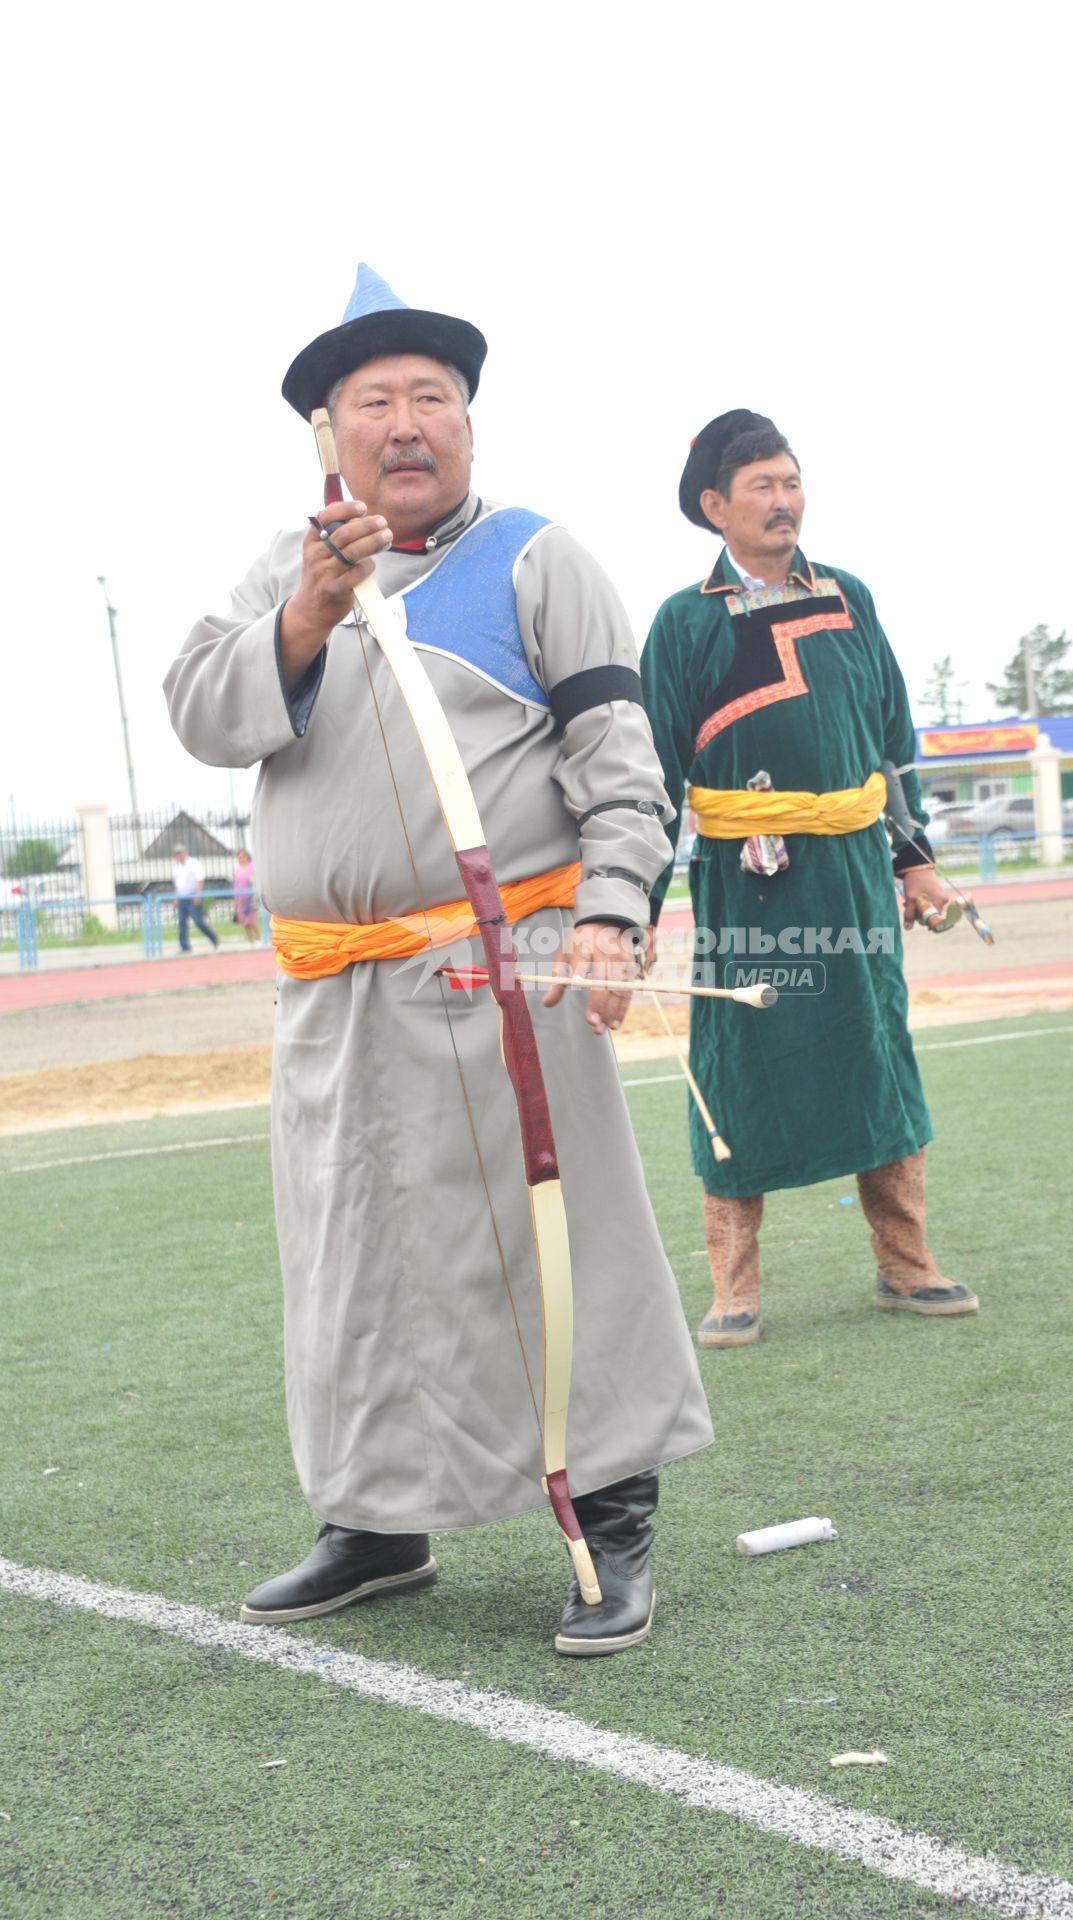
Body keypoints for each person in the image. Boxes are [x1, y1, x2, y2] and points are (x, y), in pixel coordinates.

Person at [164, 266, 712, 1655]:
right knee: (354, 1255)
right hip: (333, 992)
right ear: (326, 435)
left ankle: (612, 1515)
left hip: (506, 969)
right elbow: (203, 715)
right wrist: (304, 611)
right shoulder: (280, 575)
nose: (407, 423)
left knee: (557, 1240)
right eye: (375, 403)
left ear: (469, 420)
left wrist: (610, 905)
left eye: (434, 398)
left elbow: (617, 754)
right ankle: (375, 1515)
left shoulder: (536, 557)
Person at [639, 410, 978, 1347]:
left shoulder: (849, 597)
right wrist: (628, 905)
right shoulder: (684, 623)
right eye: (761, 486)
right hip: (748, 885)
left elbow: (889, 744)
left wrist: (916, 864)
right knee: (740, 1062)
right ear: (715, 506)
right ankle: (731, 1287)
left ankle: (906, 1267)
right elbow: (651, 774)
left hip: (852, 873)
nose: (783, 501)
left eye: (790, 481)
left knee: (875, 1051)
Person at [171, 844, 219, 953]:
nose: (178, 855)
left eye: (180, 853)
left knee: (198, 921)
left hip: (192, 896)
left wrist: (198, 895)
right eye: (177, 854)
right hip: (182, 898)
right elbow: (177, 885)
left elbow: (200, 880)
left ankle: (213, 938)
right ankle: (184, 947)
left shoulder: (194, 864)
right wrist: (175, 898)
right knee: (182, 923)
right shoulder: (178, 867)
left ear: (185, 853)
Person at [231, 848, 261, 944]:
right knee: (244, 921)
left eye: (243, 856)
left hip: (250, 897)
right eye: (239, 857)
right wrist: (235, 898)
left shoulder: (252, 867)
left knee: (252, 920)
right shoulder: (236, 869)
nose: (241, 858)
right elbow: (235, 884)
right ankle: (250, 940)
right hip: (240, 897)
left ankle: (259, 939)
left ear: (247, 856)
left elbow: (255, 880)